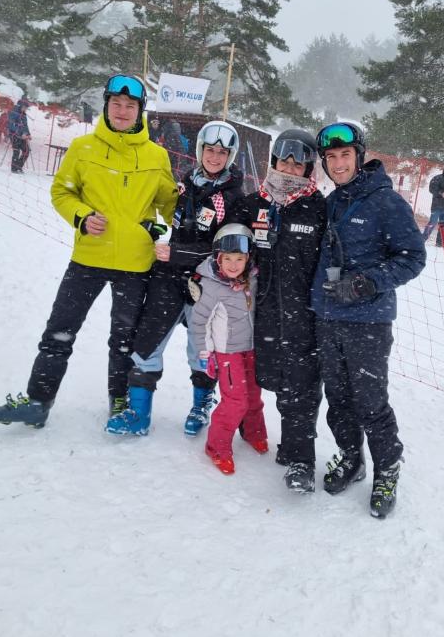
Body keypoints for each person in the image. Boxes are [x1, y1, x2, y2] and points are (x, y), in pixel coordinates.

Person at [0, 74, 178, 429]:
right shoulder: (83, 148)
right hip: (88, 258)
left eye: (129, 105)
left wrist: (189, 220)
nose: (122, 111)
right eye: (116, 104)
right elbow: (62, 192)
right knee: (59, 330)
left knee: (123, 340)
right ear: (106, 107)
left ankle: (119, 400)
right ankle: (38, 401)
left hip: (135, 263)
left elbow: (170, 205)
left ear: (140, 111)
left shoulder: (157, 156)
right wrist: (81, 217)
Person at [311, 121, 426, 518]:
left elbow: (414, 257)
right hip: (328, 318)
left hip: (368, 322)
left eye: (345, 155)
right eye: (331, 157)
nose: (338, 164)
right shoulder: (331, 202)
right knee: (338, 398)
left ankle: (387, 468)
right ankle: (351, 456)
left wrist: (366, 284)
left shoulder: (385, 202)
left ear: (358, 157)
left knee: (370, 402)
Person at [106, 120, 245, 437]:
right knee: (148, 340)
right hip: (168, 277)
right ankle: (138, 413)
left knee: (201, 348)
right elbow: (174, 220)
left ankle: (201, 404)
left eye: (222, 152)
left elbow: (226, 251)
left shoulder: (235, 198)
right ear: (199, 150)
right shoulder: (186, 182)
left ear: (230, 156)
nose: (214, 157)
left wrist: (179, 253)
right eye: (209, 150)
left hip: (207, 283)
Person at [237, 128, 327, 492]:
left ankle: (301, 459)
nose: (289, 169)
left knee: (300, 390)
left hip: (303, 316)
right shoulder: (254, 204)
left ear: (308, 169)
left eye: (298, 164)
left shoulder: (318, 208)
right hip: (263, 314)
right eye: (284, 161)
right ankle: (263, 435)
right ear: (273, 162)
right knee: (267, 379)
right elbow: (228, 247)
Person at [190, 224, 267, 475]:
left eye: (239, 259)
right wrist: (206, 355)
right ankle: (217, 446)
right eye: (228, 259)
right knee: (235, 400)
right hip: (226, 353)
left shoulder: (252, 279)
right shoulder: (212, 286)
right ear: (218, 259)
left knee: (253, 395)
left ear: (248, 259)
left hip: (250, 349)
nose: (233, 265)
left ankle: (254, 432)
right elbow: (199, 323)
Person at [422, 168, 444, 247]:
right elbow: (431, 189)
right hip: (437, 206)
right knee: (432, 223)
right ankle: (422, 240)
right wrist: (441, 193)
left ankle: (439, 243)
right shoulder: (437, 178)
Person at [8, 97, 31, 173]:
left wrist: (28, 134)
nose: (25, 109)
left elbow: (25, 126)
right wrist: (20, 134)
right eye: (24, 107)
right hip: (14, 135)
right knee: (16, 151)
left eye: (26, 108)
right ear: (20, 106)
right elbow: (12, 125)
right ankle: (14, 168)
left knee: (26, 151)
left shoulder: (24, 115)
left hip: (22, 136)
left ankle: (18, 166)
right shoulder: (13, 113)